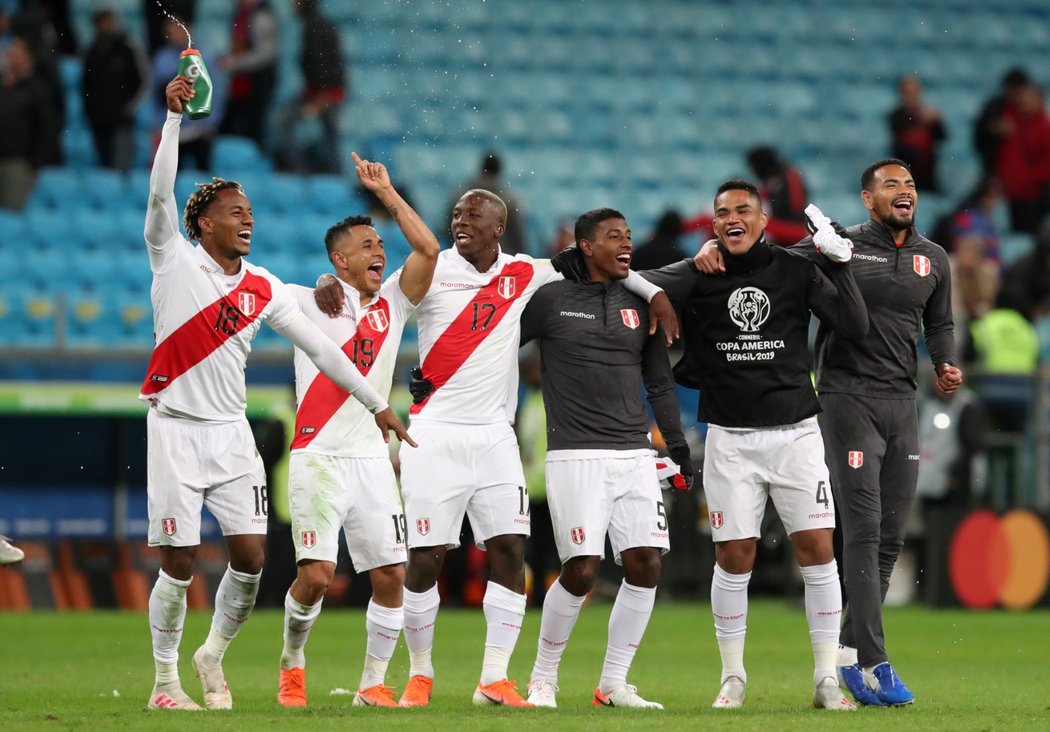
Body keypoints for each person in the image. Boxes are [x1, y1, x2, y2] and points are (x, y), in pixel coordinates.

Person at [317, 189, 677, 708]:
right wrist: (331, 280)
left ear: (498, 228)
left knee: (509, 550)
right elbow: (375, 299)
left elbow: (603, 263)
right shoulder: (430, 267)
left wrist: (656, 294)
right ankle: (420, 674)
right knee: (426, 557)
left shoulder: (527, 272)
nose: (461, 221)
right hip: (433, 433)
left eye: (474, 216)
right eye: (458, 214)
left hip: (494, 437)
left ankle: (494, 678)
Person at [141, 74, 412, 712]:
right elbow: (158, 197)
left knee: (253, 557)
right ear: (203, 222)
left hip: (232, 433)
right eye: (236, 213)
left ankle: (212, 655)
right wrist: (175, 121)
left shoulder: (262, 285)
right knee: (179, 562)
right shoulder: (172, 258)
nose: (248, 221)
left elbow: (323, 349)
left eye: (252, 214)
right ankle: (164, 682)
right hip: (175, 425)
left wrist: (377, 405)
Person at [694, 159, 963, 707]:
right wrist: (716, 252)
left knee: (888, 538)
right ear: (868, 199)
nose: (903, 191)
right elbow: (770, 267)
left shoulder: (932, 258)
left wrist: (944, 363)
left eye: (909, 184)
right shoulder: (834, 244)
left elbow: (939, 322)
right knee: (860, 532)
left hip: (901, 402)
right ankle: (874, 662)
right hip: (845, 398)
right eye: (890, 184)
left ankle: (844, 652)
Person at [646, 182, 865, 711]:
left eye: (743, 210)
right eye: (723, 213)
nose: (732, 218)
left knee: (816, 551)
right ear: (714, 226)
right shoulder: (697, 275)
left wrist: (840, 265)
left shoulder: (795, 268)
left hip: (795, 433)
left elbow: (853, 324)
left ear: (763, 221)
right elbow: (637, 282)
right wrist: (677, 276)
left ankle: (824, 679)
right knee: (734, 556)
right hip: (730, 439)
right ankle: (733, 678)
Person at [275, 152, 440, 709]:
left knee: (391, 574)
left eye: (380, 244)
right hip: (319, 455)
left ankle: (373, 685)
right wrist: (325, 281)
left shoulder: (393, 301)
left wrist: (388, 194)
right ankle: (292, 662)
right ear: (338, 260)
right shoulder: (308, 299)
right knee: (318, 577)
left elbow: (428, 250)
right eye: (367, 246)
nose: (380, 251)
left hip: (371, 457)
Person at [519, 208, 693, 710]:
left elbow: (659, 380)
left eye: (629, 237)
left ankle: (612, 684)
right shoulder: (549, 301)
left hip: (634, 453)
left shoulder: (641, 302)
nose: (626, 245)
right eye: (613, 237)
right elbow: (498, 342)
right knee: (581, 569)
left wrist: (674, 443)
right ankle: (543, 679)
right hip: (575, 455)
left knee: (645, 564)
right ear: (586, 247)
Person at [273, 0, 345, 174]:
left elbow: (323, 67)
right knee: (330, 140)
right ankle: (333, 179)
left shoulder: (314, 29)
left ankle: (301, 171)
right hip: (329, 93)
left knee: (284, 123)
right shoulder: (324, 25)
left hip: (323, 94)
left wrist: (319, 100)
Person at [81, 7, 146, 172]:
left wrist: (127, 108)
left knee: (120, 168)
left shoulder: (127, 48)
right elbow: (86, 85)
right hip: (98, 121)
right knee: (104, 168)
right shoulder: (92, 51)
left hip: (121, 120)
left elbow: (142, 81)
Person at [0, 34, 59, 210]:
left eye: (17, 51)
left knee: (12, 216)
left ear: (28, 57)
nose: (11, 54)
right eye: (11, 50)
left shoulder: (38, 89)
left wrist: (33, 164)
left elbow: (48, 128)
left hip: (18, 164)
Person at [218, 0, 277, 146]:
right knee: (230, 127)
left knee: (254, 127)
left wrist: (235, 63)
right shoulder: (241, 14)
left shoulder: (261, 17)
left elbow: (266, 54)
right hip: (241, 82)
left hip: (257, 82)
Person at [995, 82, 1050, 234]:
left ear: (1039, 100)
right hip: (1011, 192)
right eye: (1022, 98)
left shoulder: (1045, 127)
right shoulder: (1012, 122)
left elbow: (1047, 164)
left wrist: (1029, 180)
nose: (1024, 102)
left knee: (1029, 236)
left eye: (1029, 98)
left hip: (1033, 195)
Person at [447, 153, 528, 255]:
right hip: (497, 260)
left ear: (481, 169)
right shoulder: (509, 201)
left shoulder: (461, 197)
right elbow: (518, 238)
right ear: (499, 171)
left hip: (465, 258)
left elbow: (448, 230)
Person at [887, 75, 947, 192]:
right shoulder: (896, 115)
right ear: (901, 94)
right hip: (905, 175)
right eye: (908, 92)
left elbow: (942, 137)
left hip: (928, 174)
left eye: (915, 92)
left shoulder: (929, 116)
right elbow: (899, 130)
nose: (912, 96)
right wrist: (920, 118)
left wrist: (938, 122)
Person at [973, 67, 1030, 176]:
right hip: (996, 168)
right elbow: (978, 135)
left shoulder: (1029, 110)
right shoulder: (994, 107)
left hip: (1024, 172)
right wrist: (992, 129)